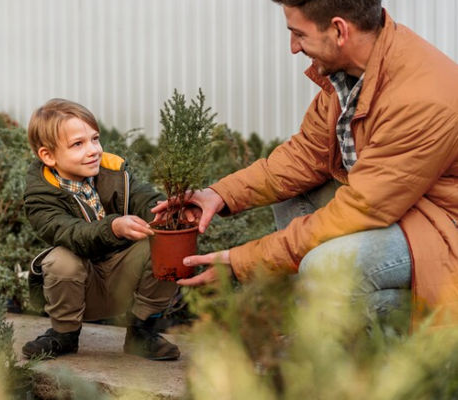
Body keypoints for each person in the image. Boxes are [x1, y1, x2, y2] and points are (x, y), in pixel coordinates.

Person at [153, 0, 458, 326]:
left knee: (325, 269)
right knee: (293, 204)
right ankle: (320, 315)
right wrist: (219, 194)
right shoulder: (353, 72)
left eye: (299, 35)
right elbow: (308, 153)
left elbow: (361, 208)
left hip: (441, 224)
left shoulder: (422, 97)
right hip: (401, 205)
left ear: (340, 30)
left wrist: (244, 261)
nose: (294, 48)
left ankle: (412, 334)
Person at [23, 98, 180, 360]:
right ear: (48, 156)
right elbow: (71, 233)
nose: (93, 150)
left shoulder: (113, 169)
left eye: (95, 139)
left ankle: (142, 332)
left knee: (165, 242)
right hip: (81, 288)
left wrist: (169, 210)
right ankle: (64, 334)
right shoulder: (40, 194)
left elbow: (143, 198)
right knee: (61, 260)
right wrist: (114, 227)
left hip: (123, 278)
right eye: (78, 144)